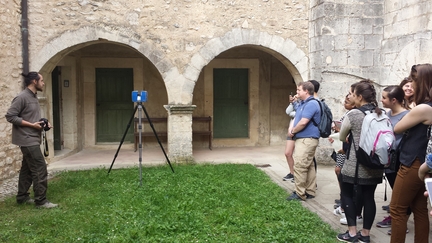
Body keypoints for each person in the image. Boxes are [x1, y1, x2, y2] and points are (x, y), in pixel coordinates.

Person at [337, 80, 383, 243]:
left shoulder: (353, 114)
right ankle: (365, 235)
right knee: (369, 197)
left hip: (355, 164)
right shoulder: (381, 112)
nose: (352, 97)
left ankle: (351, 233)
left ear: (360, 97)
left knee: (347, 194)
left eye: (354, 94)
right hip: (376, 163)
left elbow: (342, 136)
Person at [391, 63, 432, 243]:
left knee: (397, 209)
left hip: (413, 162)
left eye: (413, 80)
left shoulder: (423, 108)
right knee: (420, 210)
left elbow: (397, 128)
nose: (410, 85)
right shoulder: (426, 106)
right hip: (422, 161)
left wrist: (411, 108)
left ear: (422, 82)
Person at [5, 72, 58, 209]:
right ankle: (41, 201)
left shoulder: (33, 97)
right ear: (34, 81)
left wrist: (43, 124)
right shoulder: (22, 97)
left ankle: (22, 197)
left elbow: (30, 117)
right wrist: (32, 125)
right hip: (27, 139)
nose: (43, 83)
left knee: (27, 169)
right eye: (41, 80)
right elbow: (10, 116)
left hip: (32, 137)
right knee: (40, 168)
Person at [376, 85, 410, 233]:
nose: (381, 100)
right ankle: (396, 219)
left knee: (401, 193)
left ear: (394, 100)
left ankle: (401, 223)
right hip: (388, 160)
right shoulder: (387, 114)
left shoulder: (407, 116)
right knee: (395, 190)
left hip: (400, 160)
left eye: (384, 97)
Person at [286, 81, 320, 201]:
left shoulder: (311, 104)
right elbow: (294, 115)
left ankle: (299, 193)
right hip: (305, 139)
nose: (297, 92)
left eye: (299, 90)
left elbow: (304, 122)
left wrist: (293, 131)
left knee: (300, 165)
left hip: (307, 139)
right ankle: (310, 191)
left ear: (306, 91)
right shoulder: (303, 103)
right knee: (309, 165)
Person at [282, 94, 300, 182]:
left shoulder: (306, 103)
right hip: (291, 132)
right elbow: (287, 112)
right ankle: (292, 173)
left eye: (299, 90)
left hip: (300, 132)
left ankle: (299, 176)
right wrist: (292, 103)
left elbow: (298, 114)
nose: (297, 93)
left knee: (300, 156)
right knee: (288, 153)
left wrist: (293, 113)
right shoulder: (296, 102)